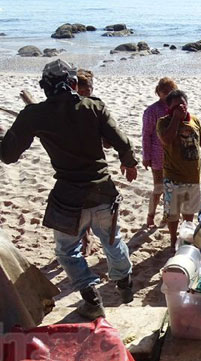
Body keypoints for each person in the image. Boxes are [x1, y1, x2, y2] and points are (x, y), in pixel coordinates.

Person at [0, 59, 138, 320]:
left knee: (67, 252)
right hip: (102, 191)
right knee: (112, 240)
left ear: (43, 88)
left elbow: (8, 155)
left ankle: (91, 298)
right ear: (74, 84)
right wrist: (129, 164)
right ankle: (125, 283)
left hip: (68, 197)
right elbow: (123, 143)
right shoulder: (94, 107)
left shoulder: (34, 115)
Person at [157, 90, 201, 249]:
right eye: (176, 105)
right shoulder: (164, 122)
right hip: (173, 176)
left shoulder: (195, 121)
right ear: (169, 107)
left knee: (189, 213)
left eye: (182, 104)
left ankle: (185, 238)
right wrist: (176, 119)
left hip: (192, 176)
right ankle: (172, 240)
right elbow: (166, 139)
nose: (180, 107)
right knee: (172, 213)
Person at [142, 77, 178, 227]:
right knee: (158, 188)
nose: (167, 95)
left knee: (172, 189)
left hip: (174, 155)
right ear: (158, 92)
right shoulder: (152, 111)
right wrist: (146, 156)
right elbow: (146, 134)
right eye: (164, 92)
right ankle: (150, 216)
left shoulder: (177, 109)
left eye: (170, 92)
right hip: (157, 155)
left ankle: (166, 215)